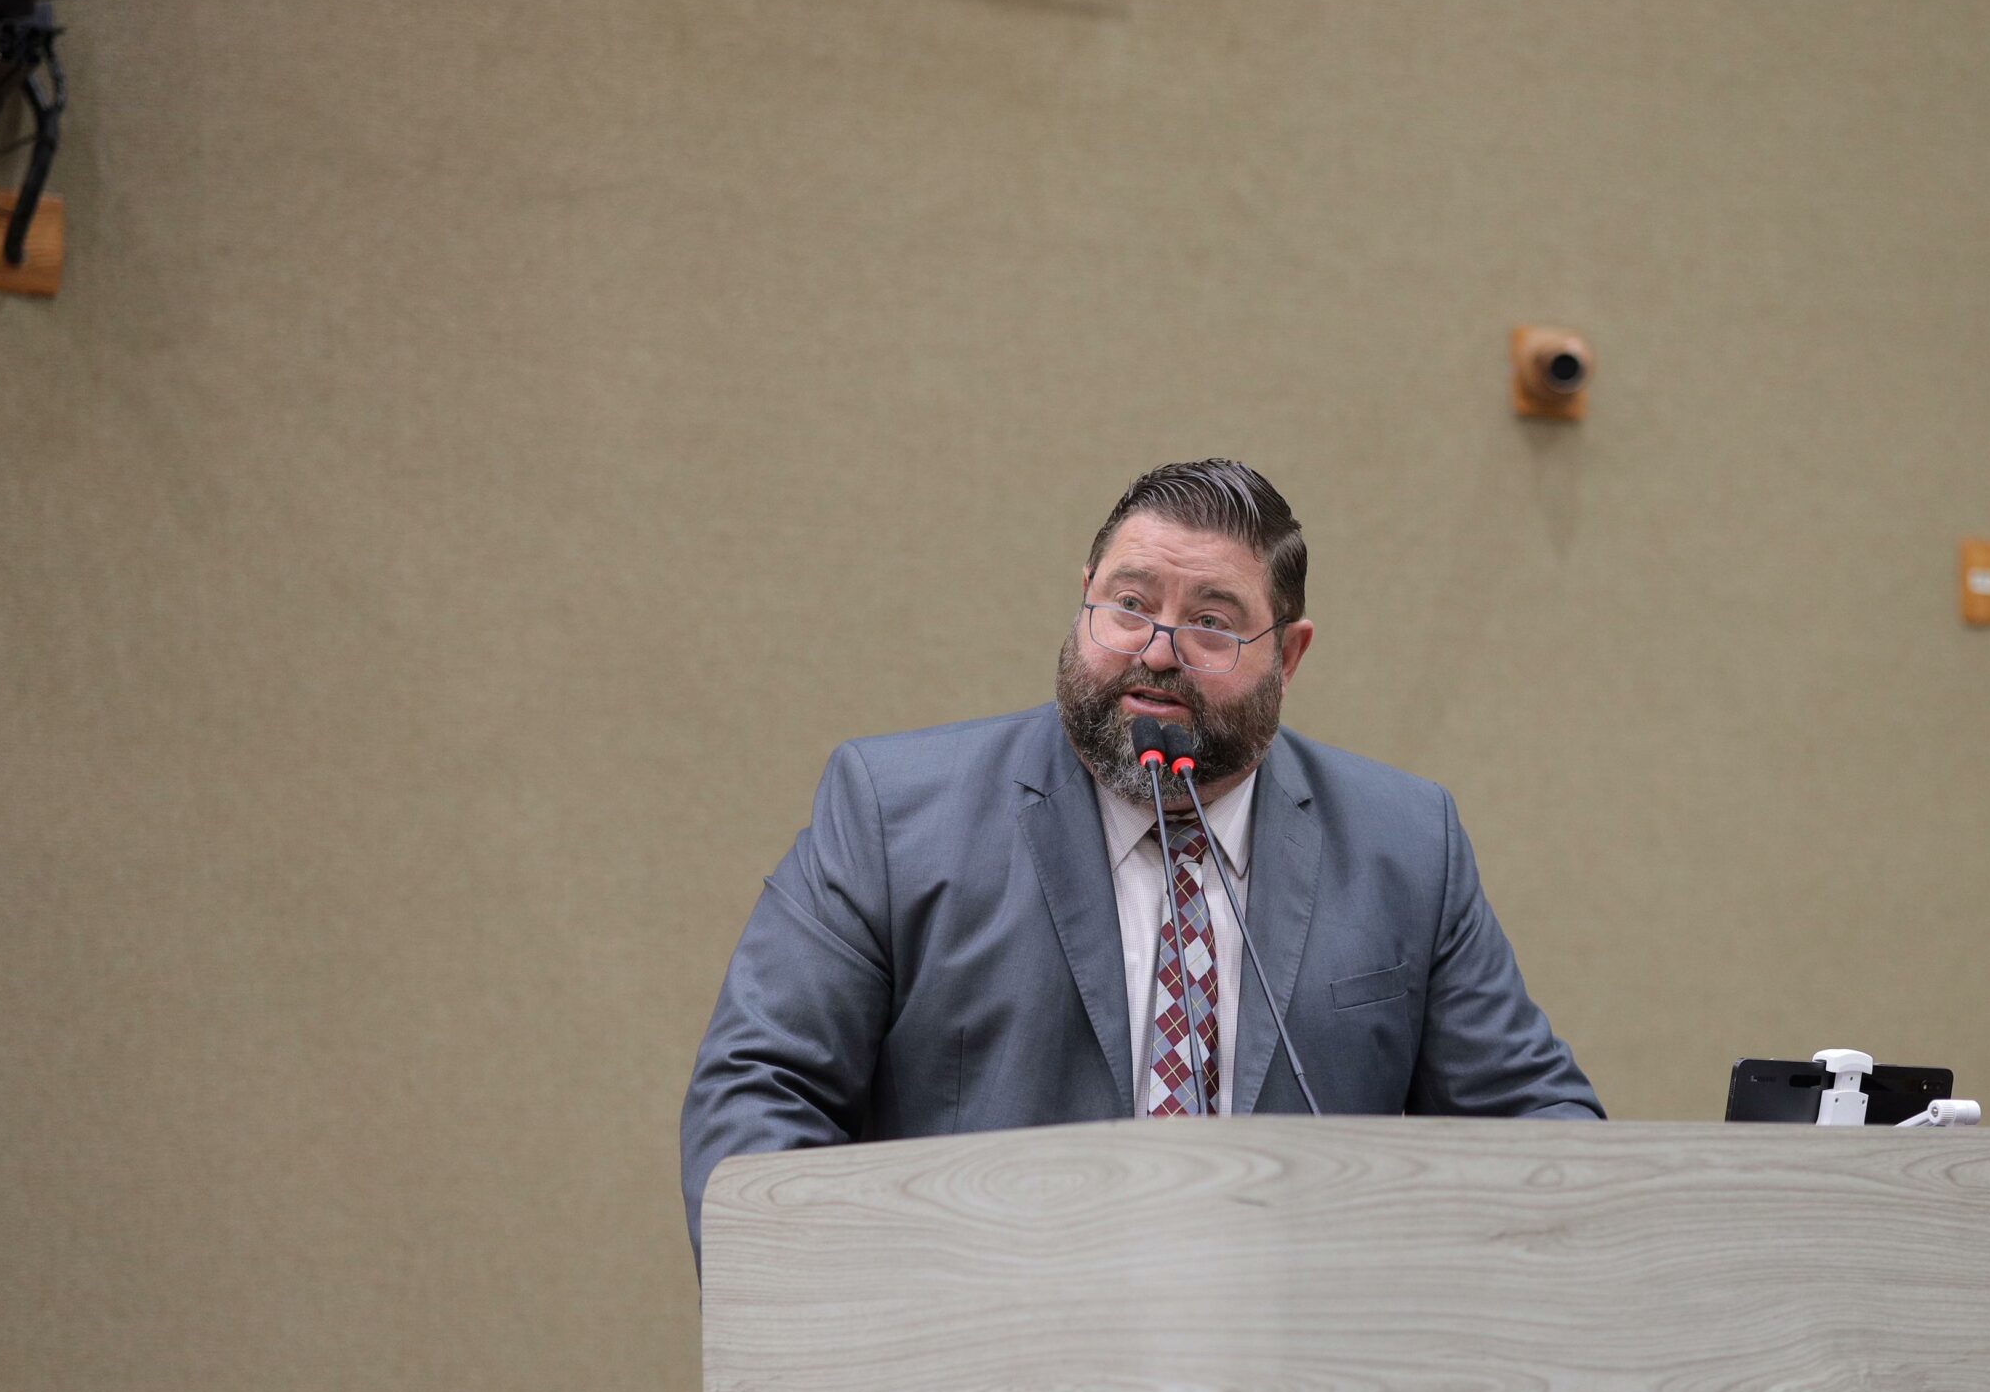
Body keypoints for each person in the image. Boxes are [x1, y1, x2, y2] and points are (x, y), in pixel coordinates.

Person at [680, 459, 1600, 1256]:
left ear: (1289, 656)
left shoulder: (1406, 843)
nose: (1157, 650)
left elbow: (1538, 1129)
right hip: (979, 1364)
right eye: (1129, 604)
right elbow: (761, 1095)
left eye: (1211, 622)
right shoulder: (895, 815)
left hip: (1303, 1376)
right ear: (1085, 596)